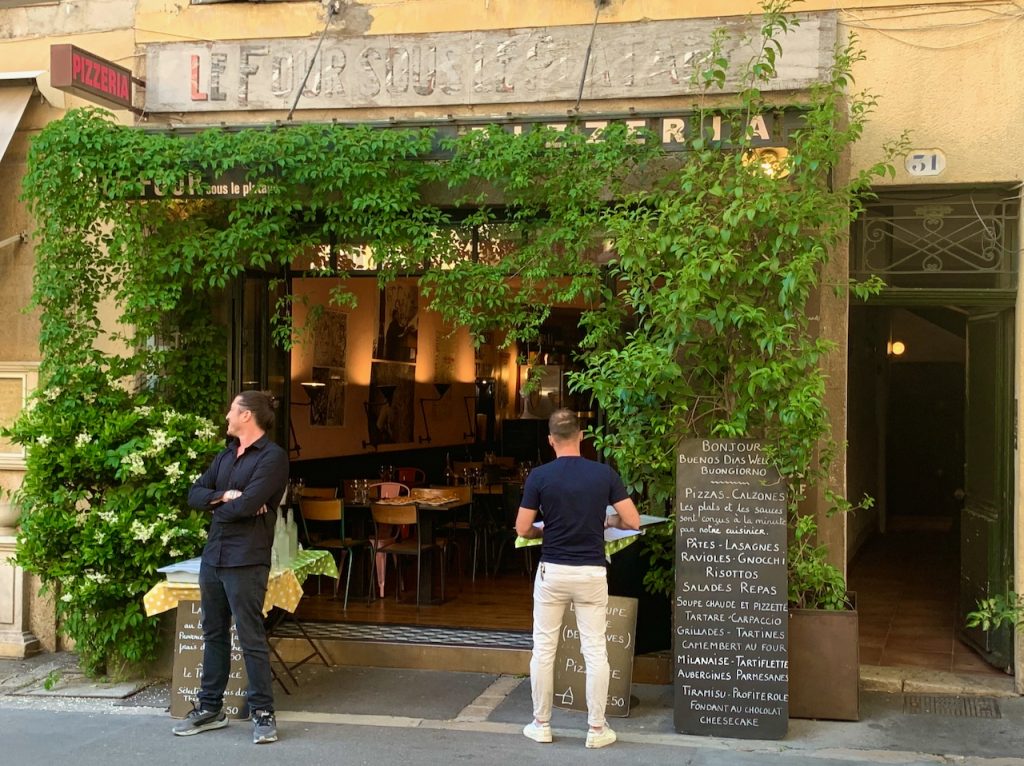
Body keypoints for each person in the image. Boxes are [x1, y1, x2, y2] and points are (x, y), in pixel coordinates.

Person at [514, 409, 641, 749]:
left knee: (543, 648)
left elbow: (523, 528)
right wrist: (606, 521)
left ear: (551, 439)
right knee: (595, 650)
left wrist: (547, 529)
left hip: (553, 570)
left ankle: (541, 724)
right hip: (591, 571)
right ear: (582, 436)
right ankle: (597, 730)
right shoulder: (603, 474)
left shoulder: (539, 477)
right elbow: (632, 520)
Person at [173, 390, 289, 745]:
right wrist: (223, 496)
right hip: (215, 556)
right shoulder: (226, 456)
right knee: (213, 633)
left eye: (232, 410)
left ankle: (263, 714)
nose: (226, 415)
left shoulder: (273, 458)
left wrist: (224, 504)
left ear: (247, 416)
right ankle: (210, 708)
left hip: (247, 558)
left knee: (251, 635)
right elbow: (194, 494)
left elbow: (248, 505)